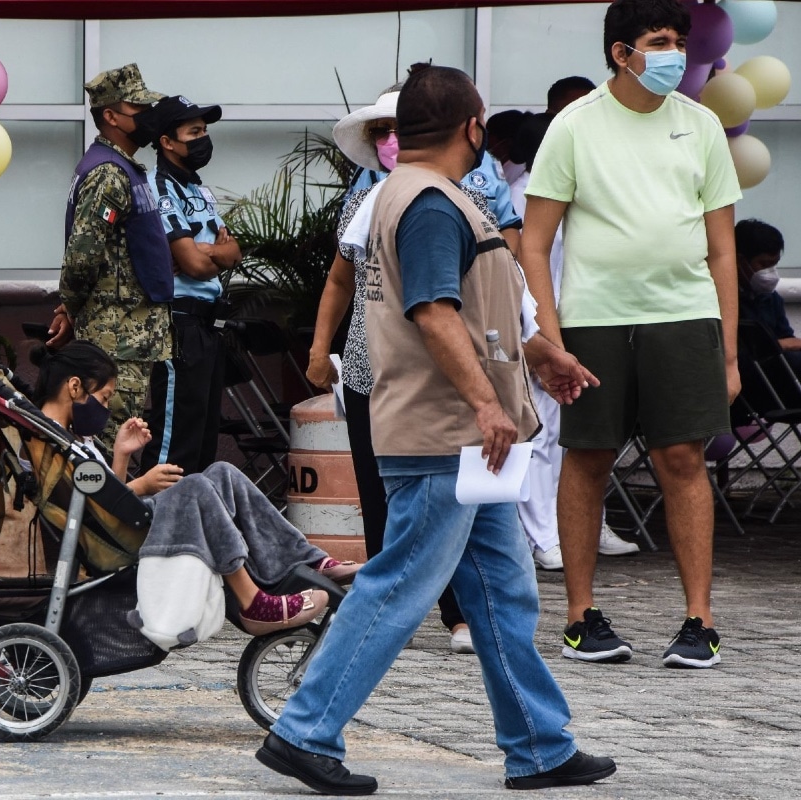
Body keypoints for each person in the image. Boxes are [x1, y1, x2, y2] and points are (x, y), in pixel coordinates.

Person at [256, 63, 614, 795]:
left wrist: (539, 353)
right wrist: (487, 402)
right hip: (442, 435)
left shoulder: (412, 196)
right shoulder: (427, 203)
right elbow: (433, 311)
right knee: (400, 584)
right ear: (473, 128)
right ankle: (304, 731)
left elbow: (477, 306)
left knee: (504, 594)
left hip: (461, 441)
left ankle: (540, 746)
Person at [521, 0, 742, 669]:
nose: (674, 53)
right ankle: (581, 617)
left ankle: (699, 621)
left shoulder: (701, 125)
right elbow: (534, 244)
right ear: (621, 53)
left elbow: (724, 251)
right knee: (588, 458)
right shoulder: (575, 126)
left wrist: (729, 351)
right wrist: (549, 337)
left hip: (684, 317)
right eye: (660, 41)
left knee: (683, 461)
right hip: (593, 320)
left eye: (680, 41)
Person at [32, 341, 359, 635]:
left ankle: (308, 560)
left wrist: (121, 455)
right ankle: (252, 602)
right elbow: (89, 512)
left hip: (120, 521)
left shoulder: (71, 438)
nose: (104, 409)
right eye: (103, 398)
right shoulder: (48, 444)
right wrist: (142, 484)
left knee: (223, 472)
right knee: (197, 487)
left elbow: (99, 496)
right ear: (75, 386)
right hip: (117, 537)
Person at [309, 85, 476, 656]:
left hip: (437, 374)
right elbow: (339, 280)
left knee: (451, 500)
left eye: (398, 128)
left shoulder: (462, 197)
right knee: (379, 497)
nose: (390, 141)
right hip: (366, 370)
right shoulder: (362, 204)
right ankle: (383, 615)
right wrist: (317, 348)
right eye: (380, 132)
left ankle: (459, 614)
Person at [508, 114, 640, 571]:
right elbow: (527, 269)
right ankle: (542, 534)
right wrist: (543, 338)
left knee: (574, 439)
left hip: (582, 322)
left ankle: (575, 525)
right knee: (543, 436)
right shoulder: (520, 197)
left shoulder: (582, 192)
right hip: (541, 329)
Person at [49, 63, 173, 459]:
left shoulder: (121, 168)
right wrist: (71, 303)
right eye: (139, 109)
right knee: (110, 444)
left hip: (127, 335)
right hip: (116, 338)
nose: (148, 116)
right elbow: (81, 258)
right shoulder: (108, 173)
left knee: (119, 441)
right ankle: (97, 522)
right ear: (111, 116)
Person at [141, 95, 241, 475]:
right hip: (178, 324)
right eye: (194, 132)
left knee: (203, 442)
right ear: (167, 142)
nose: (203, 138)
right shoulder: (158, 187)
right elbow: (194, 264)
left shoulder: (199, 190)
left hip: (208, 327)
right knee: (174, 443)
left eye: (204, 131)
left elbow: (234, 252)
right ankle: (158, 528)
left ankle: (194, 529)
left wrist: (211, 252)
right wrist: (211, 253)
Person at [735, 220, 799, 371]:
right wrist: (781, 345)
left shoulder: (771, 298)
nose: (770, 272)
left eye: (774, 264)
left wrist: (785, 344)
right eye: (764, 265)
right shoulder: (724, 301)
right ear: (739, 261)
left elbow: (788, 339)